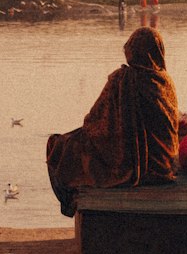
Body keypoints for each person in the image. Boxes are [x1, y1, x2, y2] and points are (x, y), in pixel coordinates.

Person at [46, 26, 179, 218]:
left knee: (59, 146)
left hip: (137, 168)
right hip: (164, 166)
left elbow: (94, 124)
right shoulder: (165, 80)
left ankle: (69, 203)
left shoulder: (122, 79)